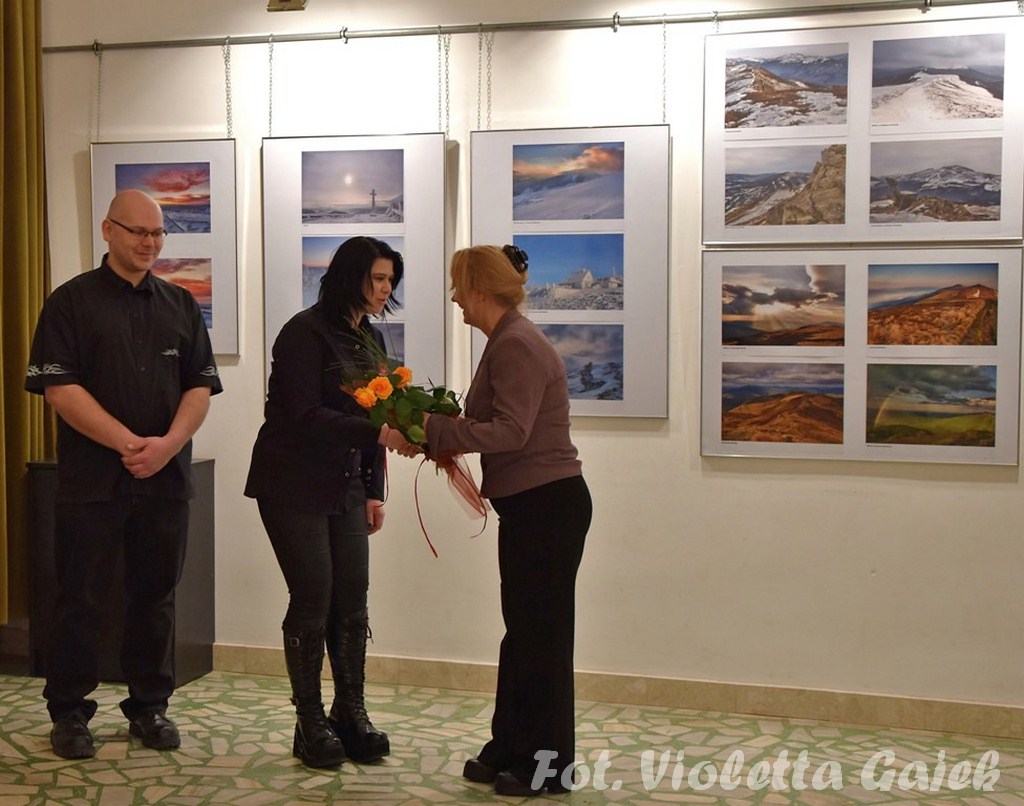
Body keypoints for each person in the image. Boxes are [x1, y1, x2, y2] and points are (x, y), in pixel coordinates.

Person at [24, 189, 223, 759]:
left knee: (155, 598)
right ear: (108, 230)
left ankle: (150, 707)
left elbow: (199, 386)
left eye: (157, 233)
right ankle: (69, 712)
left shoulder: (181, 304)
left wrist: (168, 446)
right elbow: (60, 390)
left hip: (165, 480)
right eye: (138, 231)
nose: (149, 243)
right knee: (79, 598)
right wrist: (129, 444)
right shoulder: (69, 302)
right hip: (91, 482)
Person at [420, 244, 592, 796]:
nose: (454, 298)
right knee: (523, 635)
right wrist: (436, 427)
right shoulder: (508, 339)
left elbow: (510, 432)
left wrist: (434, 430)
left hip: (547, 507)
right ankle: (511, 746)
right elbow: (491, 421)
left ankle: (547, 765)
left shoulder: (516, 343)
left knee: (540, 639)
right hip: (532, 506)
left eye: (458, 287)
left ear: (479, 290)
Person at [244, 236, 412, 769]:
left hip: (347, 484)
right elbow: (302, 416)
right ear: (348, 277)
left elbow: (381, 414)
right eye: (378, 278)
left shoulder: (372, 338)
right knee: (313, 598)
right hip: (292, 482)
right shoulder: (303, 332)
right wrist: (377, 435)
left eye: (390, 281)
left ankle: (351, 712)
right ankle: (309, 720)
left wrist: (374, 490)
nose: (385, 289)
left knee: (353, 600)